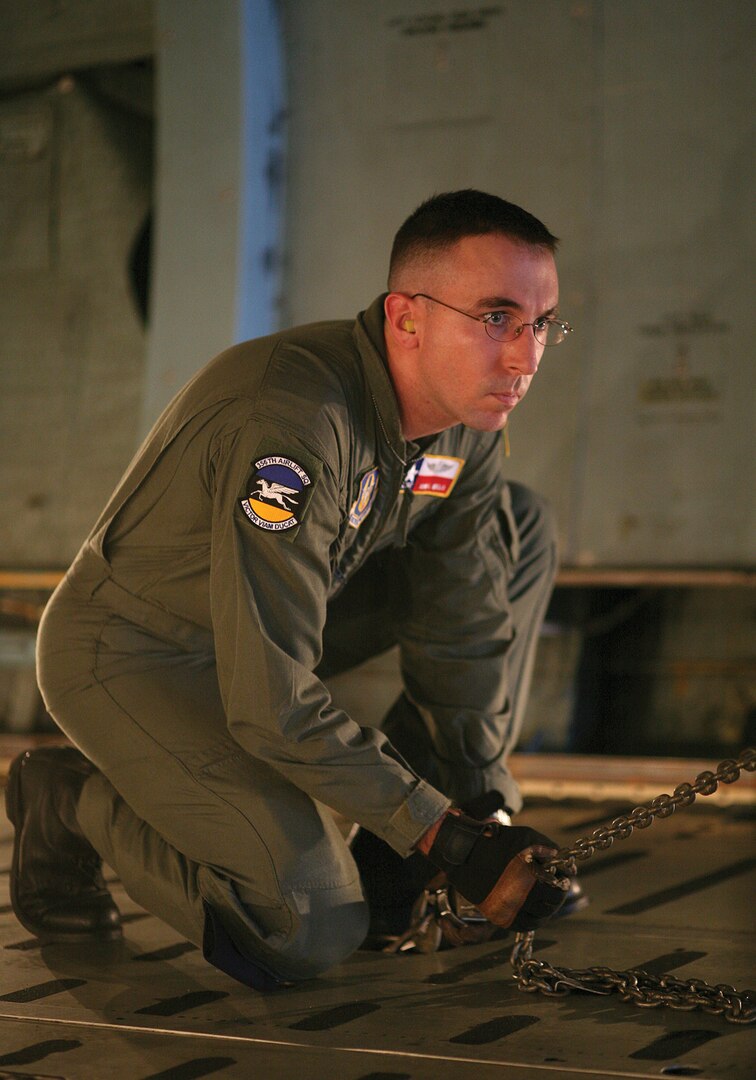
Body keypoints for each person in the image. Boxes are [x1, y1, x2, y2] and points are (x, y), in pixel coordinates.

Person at [7, 190, 578, 991]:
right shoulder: (294, 422)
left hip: (286, 623)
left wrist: (480, 805)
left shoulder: (462, 431)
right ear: (407, 318)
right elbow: (268, 696)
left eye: (541, 323)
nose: (525, 358)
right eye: (495, 318)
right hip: (140, 654)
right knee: (305, 925)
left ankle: (396, 857)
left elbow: (464, 617)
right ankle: (69, 799)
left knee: (520, 531)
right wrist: (443, 838)